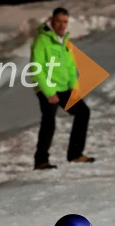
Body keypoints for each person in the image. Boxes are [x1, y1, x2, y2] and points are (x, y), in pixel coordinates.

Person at [31, 7, 95, 170]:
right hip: (47, 87)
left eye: (65, 22)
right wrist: (49, 93)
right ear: (51, 21)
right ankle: (41, 161)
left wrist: (75, 89)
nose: (61, 25)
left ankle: (75, 154)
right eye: (58, 21)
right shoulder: (42, 40)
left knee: (83, 112)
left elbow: (71, 68)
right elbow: (36, 68)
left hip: (64, 87)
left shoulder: (65, 42)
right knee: (49, 121)